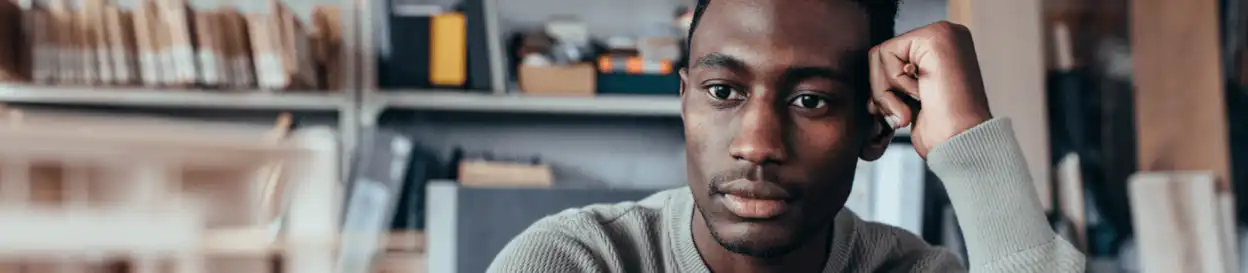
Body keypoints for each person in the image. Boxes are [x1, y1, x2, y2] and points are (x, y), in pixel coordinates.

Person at [487, 0, 1086, 272]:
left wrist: (971, 145)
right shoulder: (578, 261)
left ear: (874, 127)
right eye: (723, 91)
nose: (757, 143)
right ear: (684, 101)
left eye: (811, 100)